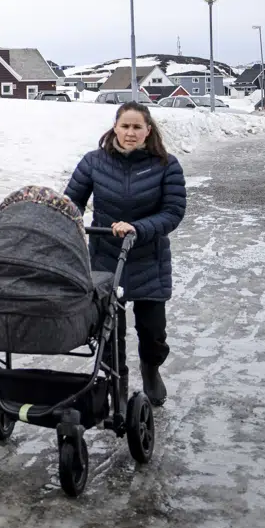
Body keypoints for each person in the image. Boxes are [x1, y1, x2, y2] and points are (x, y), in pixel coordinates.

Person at [64, 102, 187, 406]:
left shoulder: (166, 165)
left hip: (148, 257)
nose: (130, 133)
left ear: (148, 130)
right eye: (125, 126)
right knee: (108, 329)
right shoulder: (94, 162)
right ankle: (116, 381)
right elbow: (73, 201)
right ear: (115, 127)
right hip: (105, 257)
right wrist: (69, 223)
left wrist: (138, 228)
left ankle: (151, 368)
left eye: (137, 127)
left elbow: (173, 211)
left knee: (153, 331)